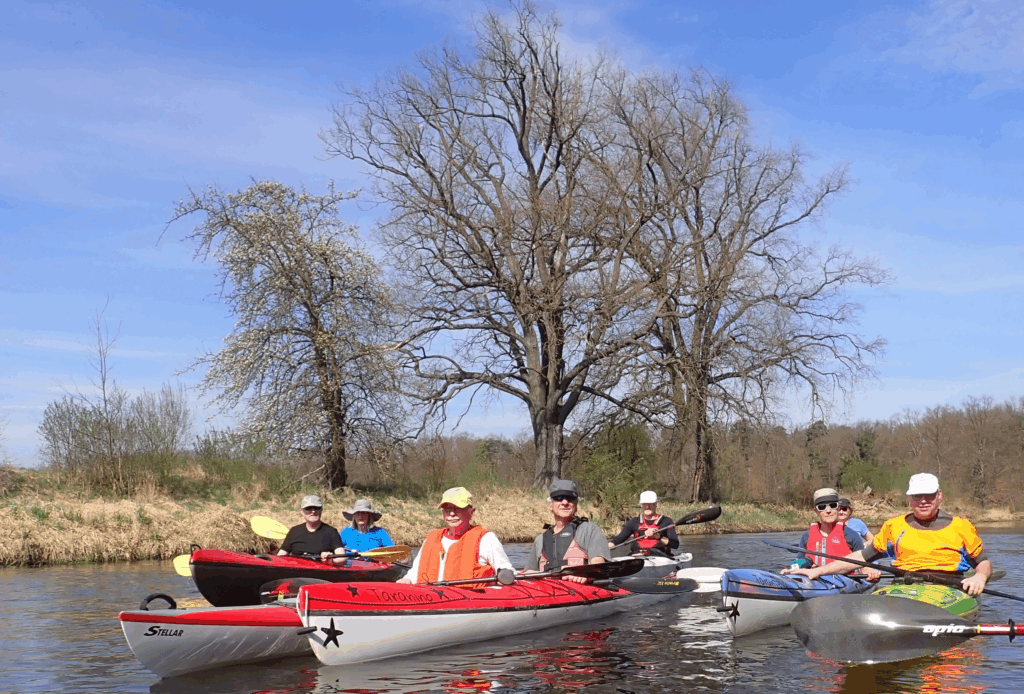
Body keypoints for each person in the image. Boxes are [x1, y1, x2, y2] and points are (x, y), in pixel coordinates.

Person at [785, 473, 993, 596]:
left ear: (939, 496)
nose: (923, 501)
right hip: (905, 588)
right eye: (917, 496)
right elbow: (860, 557)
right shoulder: (894, 527)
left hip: (949, 589)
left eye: (929, 495)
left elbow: (983, 562)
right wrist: (818, 572)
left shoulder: (961, 527)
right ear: (909, 498)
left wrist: (980, 576)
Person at [397, 486, 514, 584]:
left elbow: (507, 572)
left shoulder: (486, 539)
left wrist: (504, 580)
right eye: (447, 508)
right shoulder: (431, 538)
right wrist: (407, 580)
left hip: (469, 600)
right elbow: (414, 573)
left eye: (458, 508)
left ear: (471, 512)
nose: (452, 513)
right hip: (429, 598)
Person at [525, 479, 611, 583]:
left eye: (570, 498)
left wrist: (586, 574)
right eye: (559, 498)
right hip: (547, 589)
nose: (565, 502)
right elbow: (528, 572)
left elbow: (598, 562)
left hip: (580, 588)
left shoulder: (589, 530)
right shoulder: (540, 540)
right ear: (551, 505)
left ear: (576, 504)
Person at [781, 488, 865, 573]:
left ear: (838, 508)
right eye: (822, 507)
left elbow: (864, 562)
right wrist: (790, 570)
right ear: (816, 511)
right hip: (813, 579)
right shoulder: (806, 536)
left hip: (844, 578)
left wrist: (868, 569)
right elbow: (799, 563)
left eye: (833, 505)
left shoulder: (851, 535)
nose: (828, 511)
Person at [277, 494, 347, 564]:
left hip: (321, 570)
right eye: (308, 508)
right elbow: (280, 557)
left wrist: (331, 560)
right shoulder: (294, 531)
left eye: (316, 508)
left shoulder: (331, 532)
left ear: (321, 510)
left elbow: (342, 558)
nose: (313, 511)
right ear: (302, 511)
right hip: (296, 569)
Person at [607, 490, 679, 556]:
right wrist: (608, 545)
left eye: (650, 504)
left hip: (660, 556)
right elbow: (619, 539)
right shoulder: (633, 522)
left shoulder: (666, 521)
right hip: (637, 556)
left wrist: (658, 537)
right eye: (645, 504)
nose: (647, 506)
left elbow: (675, 545)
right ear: (641, 505)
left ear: (656, 504)